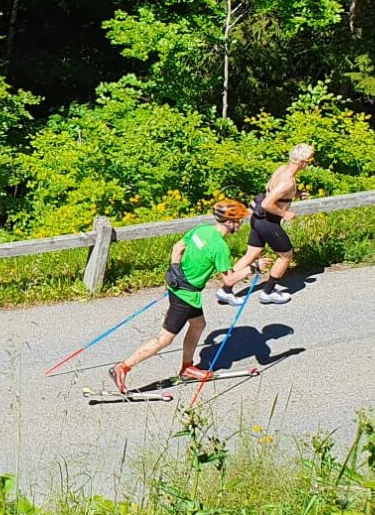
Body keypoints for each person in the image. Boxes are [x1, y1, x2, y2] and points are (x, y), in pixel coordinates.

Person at [109, 201, 255, 395]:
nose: (242, 223)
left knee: (198, 324)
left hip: (178, 285)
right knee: (164, 339)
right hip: (185, 295)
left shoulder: (202, 230)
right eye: (239, 220)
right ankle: (122, 368)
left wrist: (175, 269)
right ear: (230, 222)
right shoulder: (220, 247)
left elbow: (178, 247)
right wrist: (253, 268)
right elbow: (229, 280)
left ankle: (187, 368)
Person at [219, 143, 315, 308]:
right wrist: (285, 214)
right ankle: (268, 292)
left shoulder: (281, 170)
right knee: (286, 256)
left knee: (253, 253)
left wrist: (296, 194)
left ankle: (226, 290)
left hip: (257, 219)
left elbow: (271, 190)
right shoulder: (289, 181)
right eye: (310, 161)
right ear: (302, 162)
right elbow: (267, 203)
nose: (310, 164)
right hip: (268, 222)